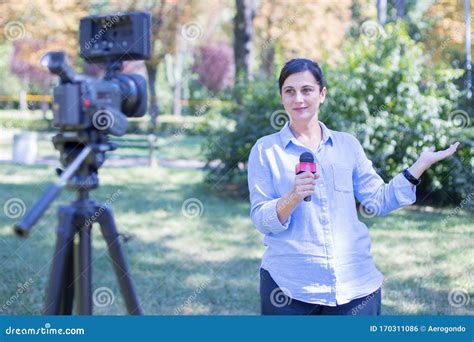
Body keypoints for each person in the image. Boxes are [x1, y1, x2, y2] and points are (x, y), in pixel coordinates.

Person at [247, 58, 460, 315]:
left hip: (355, 288)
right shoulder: (265, 150)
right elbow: (262, 219)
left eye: (307, 90)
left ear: (322, 94)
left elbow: (379, 200)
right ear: (281, 97)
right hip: (288, 288)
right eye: (289, 91)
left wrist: (420, 165)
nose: (298, 99)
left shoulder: (348, 145)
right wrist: (293, 196)